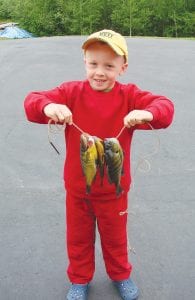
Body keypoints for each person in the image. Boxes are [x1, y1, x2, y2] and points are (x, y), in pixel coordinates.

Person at [24, 29, 174, 300]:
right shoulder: (70, 93)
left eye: (109, 65)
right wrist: (48, 108)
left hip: (115, 193)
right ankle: (79, 279)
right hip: (78, 191)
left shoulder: (129, 96)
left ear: (122, 68)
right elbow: (32, 101)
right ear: (84, 62)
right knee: (78, 239)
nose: (99, 72)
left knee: (116, 239)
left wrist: (146, 112)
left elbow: (165, 108)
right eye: (93, 64)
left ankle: (121, 275)